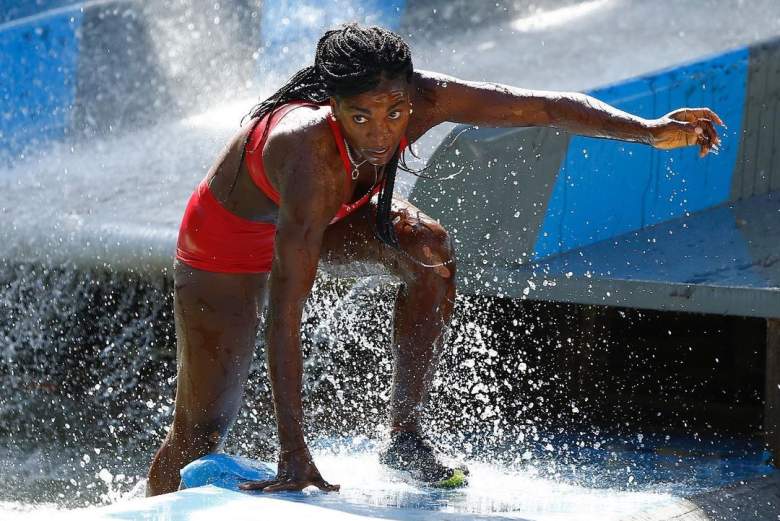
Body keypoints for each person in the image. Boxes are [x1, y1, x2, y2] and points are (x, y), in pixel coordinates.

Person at [147, 22, 722, 495]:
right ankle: (154, 507)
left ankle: (403, 435)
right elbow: (285, 310)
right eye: (361, 117)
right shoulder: (306, 152)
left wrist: (647, 131)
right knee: (201, 430)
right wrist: (294, 455)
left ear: (412, 92)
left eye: (395, 111)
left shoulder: (425, 97)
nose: (381, 133)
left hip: (330, 218)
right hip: (226, 245)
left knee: (429, 249)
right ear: (331, 105)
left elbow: (543, 107)